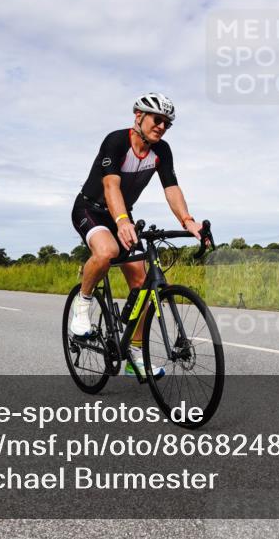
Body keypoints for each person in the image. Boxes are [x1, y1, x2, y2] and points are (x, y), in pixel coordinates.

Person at [70, 93, 203, 377]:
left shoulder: (162, 151)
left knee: (143, 285)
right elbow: (110, 186)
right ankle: (81, 307)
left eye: (167, 124)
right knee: (106, 252)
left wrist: (188, 220)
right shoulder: (116, 141)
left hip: (122, 214)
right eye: (157, 120)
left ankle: (135, 356)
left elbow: (171, 188)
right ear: (138, 116)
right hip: (91, 209)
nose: (162, 127)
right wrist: (120, 220)